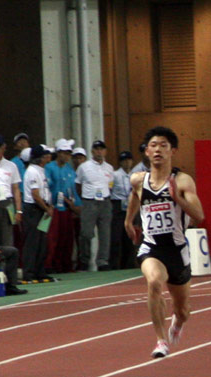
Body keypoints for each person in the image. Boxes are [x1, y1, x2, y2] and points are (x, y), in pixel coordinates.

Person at [125, 126, 204, 358]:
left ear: (173, 151)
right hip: (151, 248)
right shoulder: (138, 180)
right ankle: (161, 341)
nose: (158, 149)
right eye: (153, 145)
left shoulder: (182, 181)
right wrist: (129, 221)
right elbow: (134, 197)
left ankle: (177, 322)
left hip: (177, 250)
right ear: (147, 152)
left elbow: (199, 215)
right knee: (154, 283)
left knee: (183, 311)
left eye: (163, 145)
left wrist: (177, 198)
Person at [76, 140, 114, 271]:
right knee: (86, 232)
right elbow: (78, 185)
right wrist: (85, 198)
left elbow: (110, 185)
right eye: (96, 149)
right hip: (89, 201)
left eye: (101, 149)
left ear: (105, 151)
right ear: (92, 151)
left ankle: (102, 261)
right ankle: (84, 260)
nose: (99, 151)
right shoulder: (84, 167)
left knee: (105, 233)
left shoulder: (109, 167)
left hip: (105, 201)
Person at [44, 138, 81, 273]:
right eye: (64, 153)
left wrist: (76, 205)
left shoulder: (70, 170)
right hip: (53, 208)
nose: (66, 156)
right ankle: (49, 264)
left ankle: (65, 265)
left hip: (66, 208)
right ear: (58, 153)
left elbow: (73, 190)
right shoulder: (49, 167)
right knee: (52, 238)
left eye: (68, 153)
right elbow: (47, 187)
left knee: (67, 238)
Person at [22, 145, 54, 281]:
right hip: (34, 209)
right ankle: (29, 272)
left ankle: (39, 271)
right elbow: (35, 194)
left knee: (42, 242)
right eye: (44, 155)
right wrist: (46, 208)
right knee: (32, 242)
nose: (47, 157)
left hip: (42, 208)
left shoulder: (41, 171)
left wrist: (49, 205)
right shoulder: (32, 171)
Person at [110, 150, 135, 269]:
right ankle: (115, 264)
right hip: (117, 204)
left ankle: (129, 263)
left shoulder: (134, 175)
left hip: (130, 205)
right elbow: (109, 189)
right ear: (120, 162)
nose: (127, 162)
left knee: (129, 236)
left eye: (129, 160)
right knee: (116, 235)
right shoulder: (115, 175)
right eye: (124, 160)